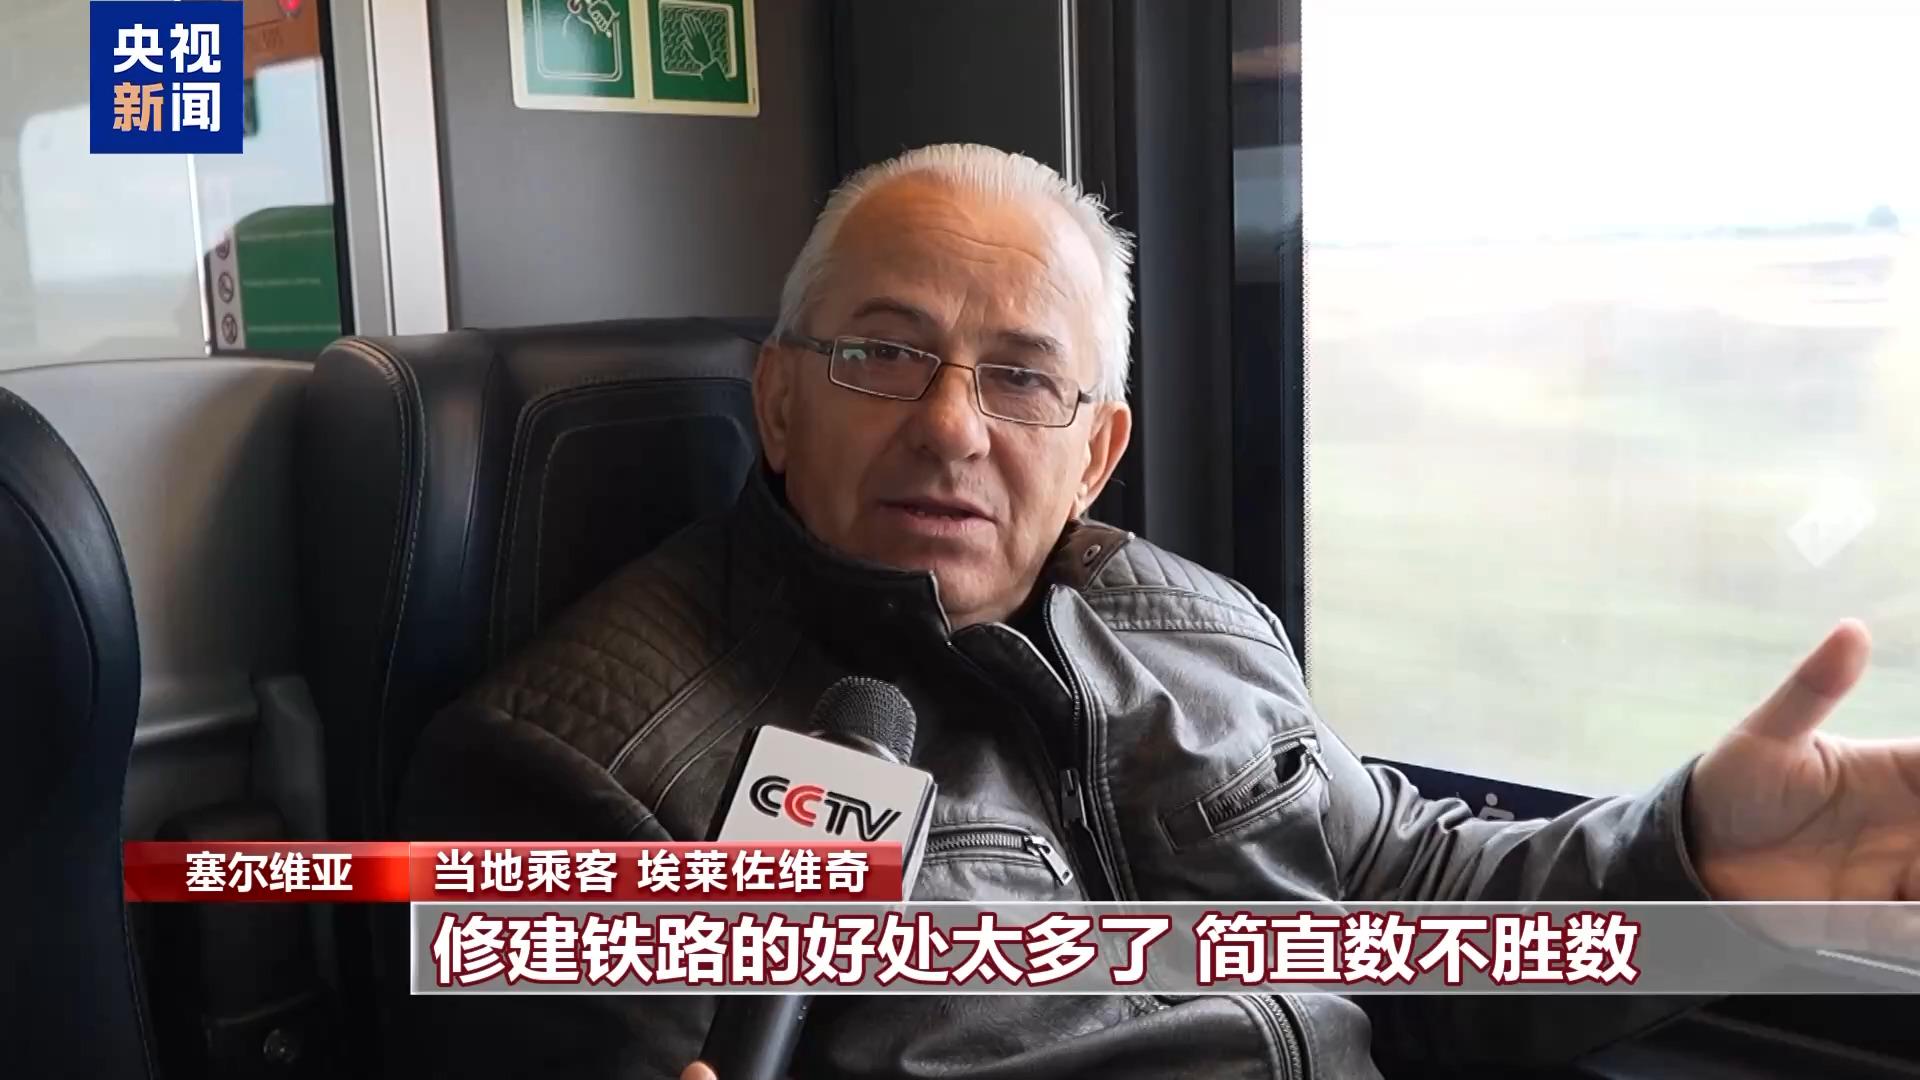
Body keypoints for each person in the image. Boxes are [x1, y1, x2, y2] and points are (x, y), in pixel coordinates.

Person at [398, 143, 1920, 1079]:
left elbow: (1415, 902)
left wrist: (1696, 861)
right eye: (884, 356)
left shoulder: (1198, 627)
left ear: (1096, 451)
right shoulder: (584, 776)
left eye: (1022, 378)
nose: (952, 425)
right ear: (781, 402)